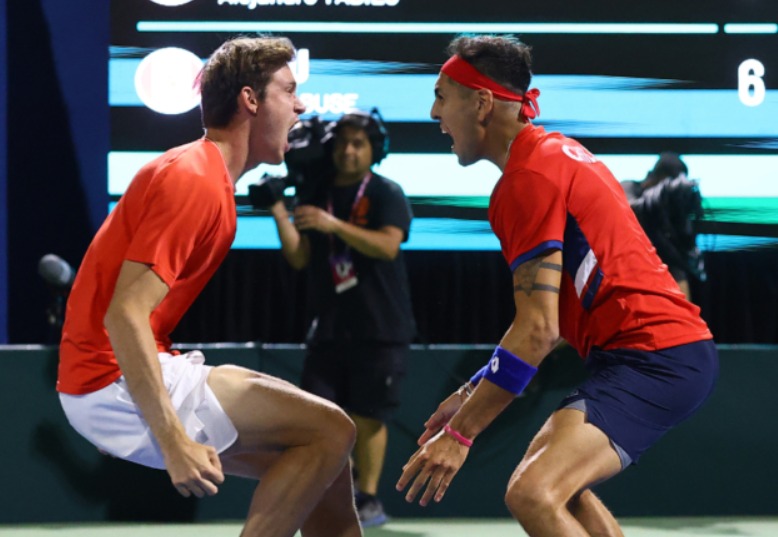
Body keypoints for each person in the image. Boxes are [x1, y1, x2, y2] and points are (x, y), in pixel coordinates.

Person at [396, 35, 718, 537]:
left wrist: (461, 434)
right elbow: (556, 322)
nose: (433, 112)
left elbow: (538, 330)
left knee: (532, 492)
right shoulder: (560, 152)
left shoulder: (528, 179)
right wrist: (470, 389)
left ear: (481, 102)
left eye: (442, 95)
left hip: (654, 357)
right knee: (564, 488)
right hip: (651, 354)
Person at [56, 36, 362, 537]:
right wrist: (172, 439)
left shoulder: (207, 177)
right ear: (250, 99)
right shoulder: (194, 178)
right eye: (289, 90)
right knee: (333, 429)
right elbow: (124, 315)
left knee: (326, 463)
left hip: (114, 374)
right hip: (107, 377)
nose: (301, 104)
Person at [268, 110, 416, 527]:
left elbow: (387, 247)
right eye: (342, 143)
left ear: (373, 150)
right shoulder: (316, 192)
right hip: (329, 325)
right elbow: (299, 256)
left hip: (380, 324)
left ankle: (368, 498)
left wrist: (332, 223)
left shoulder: (387, 192)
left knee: (369, 416)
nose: (348, 151)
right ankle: (333, 493)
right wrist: (281, 210)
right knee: (319, 415)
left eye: (358, 144)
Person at [621, 152, 706, 300]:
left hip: (665, 266)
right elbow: (630, 213)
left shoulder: (671, 209)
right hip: (629, 266)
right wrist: (660, 195)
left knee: (683, 305)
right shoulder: (629, 187)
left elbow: (686, 251)